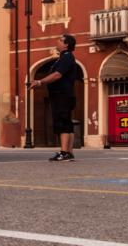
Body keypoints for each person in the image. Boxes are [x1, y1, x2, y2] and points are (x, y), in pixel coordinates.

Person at [31, 34, 77, 162]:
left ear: (66, 44)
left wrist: (40, 82)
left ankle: (64, 153)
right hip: (66, 95)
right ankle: (69, 152)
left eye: (60, 40)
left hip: (62, 95)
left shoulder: (66, 58)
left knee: (62, 123)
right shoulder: (64, 58)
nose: (57, 41)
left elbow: (57, 75)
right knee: (67, 123)